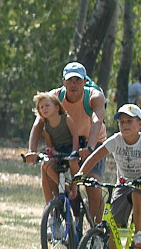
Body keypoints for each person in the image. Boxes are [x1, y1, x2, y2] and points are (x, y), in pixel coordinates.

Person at [27, 62, 108, 222]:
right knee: (47, 167)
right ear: (63, 81)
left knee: (92, 183)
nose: (73, 84)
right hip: (65, 143)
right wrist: (32, 150)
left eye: (78, 80)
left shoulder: (94, 96)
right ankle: (55, 215)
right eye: (70, 80)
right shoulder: (54, 97)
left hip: (93, 141)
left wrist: (90, 147)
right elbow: (39, 122)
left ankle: (96, 230)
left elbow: (97, 120)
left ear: (85, 82)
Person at [77, 103, 141, 249]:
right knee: (113, 226)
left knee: (137, 192)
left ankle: (139, 234)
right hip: (124, 183)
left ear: (140, 124)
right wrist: (81, 174)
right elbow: (94, 157)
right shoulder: (116, 140)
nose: (125, 125)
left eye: (129, 121)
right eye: (122, 122)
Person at [22, 91, 80, 204]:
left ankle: (74, 187)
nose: (44, 109)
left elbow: (75, 136)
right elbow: (50, 146)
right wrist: (51, 153)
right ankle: (63, 186)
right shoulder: (46, 127)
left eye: (47, 105)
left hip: (70, 151)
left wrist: (74, 151)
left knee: (73, 162)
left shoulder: (66, 119)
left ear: (57, 107)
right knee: (45, 164)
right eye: (41, 107)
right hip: (58, 152)